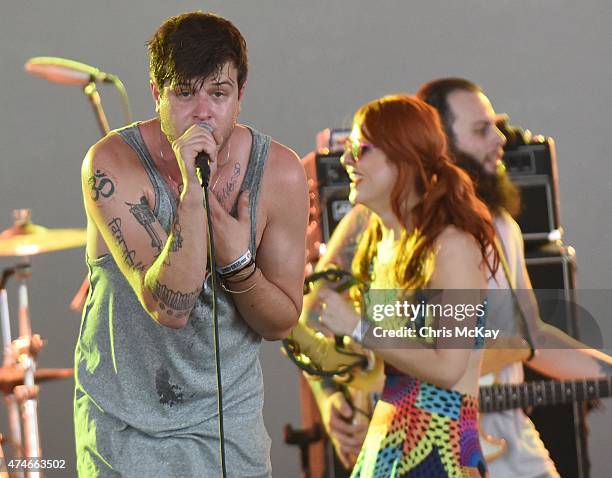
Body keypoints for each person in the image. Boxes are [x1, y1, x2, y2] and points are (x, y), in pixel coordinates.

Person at [311, 78, 612, 478]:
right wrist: (333, 397)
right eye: (481, 129)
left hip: (493, 435)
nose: (499, 140)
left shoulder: (495, 229)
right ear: (433, 142)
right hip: (402, 437)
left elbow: (529, 338)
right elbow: (312, 317)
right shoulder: (372, 224)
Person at [74, 11, 308, 477]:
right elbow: (170, 309)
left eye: (218, 94)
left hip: (228, 427)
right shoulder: (112, 163)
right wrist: (192, 195)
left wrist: (237, 265)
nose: (202, 112)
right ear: (157, 94)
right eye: (184, 92)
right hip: (126, 429)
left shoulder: (279, 171)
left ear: (240, 96)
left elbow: (281, 321)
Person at [308, 94, 499, 477]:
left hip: (439, 454)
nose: (347, 161)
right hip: (387, 444)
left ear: (403, 159)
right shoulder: (381, 241)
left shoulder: (453, 248)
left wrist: (359, 328)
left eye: (360, 149)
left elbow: (448, 368)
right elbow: (313, 320)